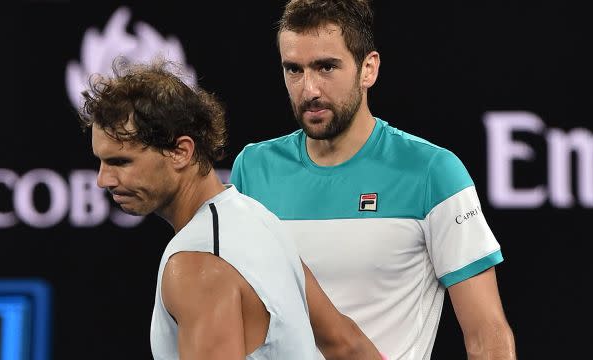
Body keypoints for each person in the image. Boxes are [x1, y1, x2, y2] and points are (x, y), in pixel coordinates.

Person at [230, 0, 516, 359]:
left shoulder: (433, 173)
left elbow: (486, 337)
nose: (309, 89)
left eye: (326, 67)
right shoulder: (253, 169)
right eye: (294, 70)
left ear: (369, 69)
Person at [78, 57, 384, 360]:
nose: (103, 180)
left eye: (120, 162)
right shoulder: (259, 218)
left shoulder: (196, 266)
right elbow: (347, 345)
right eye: (101, 161)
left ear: (180, 152)